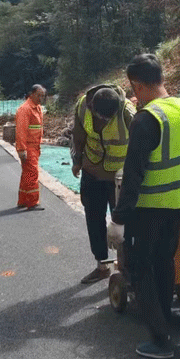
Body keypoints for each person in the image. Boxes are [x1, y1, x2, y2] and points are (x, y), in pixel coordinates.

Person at [107, 53, 180, 359]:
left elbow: (134, 174)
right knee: (165, 261)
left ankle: (160, 341)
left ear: (137, 85)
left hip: (149, 207)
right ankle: (164, 319)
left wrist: (119, 220)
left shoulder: (147, 118)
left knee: (140, 268)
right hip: (178, 202)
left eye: (134, 88)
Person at [71, 85, 136, 284]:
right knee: (93, 219)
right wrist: (77, 161)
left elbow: (142, 142)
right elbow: (78, 135)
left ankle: (128, 266)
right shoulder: (83, 106)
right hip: (92, 172)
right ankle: (102, 265)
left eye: (110, 118)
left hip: (120, 177)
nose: (106, 122)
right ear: (92, 106)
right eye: (102, 118)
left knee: (124, 223)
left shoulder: (127, 112)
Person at [15, 84, 47, 210]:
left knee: (27, 174)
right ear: (32, 94)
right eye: (39, 95)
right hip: (28, 147)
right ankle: (33, 202)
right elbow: (21, 131)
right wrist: (22, 150)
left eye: (43, 96)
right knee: (32, 174)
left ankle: (23, 200)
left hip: (35, 146)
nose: (41, 98)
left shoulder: (37, 108)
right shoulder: (25, 109)